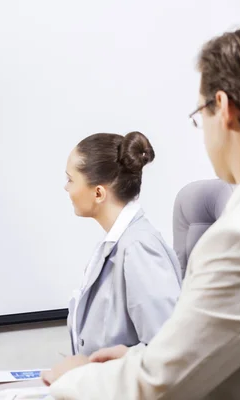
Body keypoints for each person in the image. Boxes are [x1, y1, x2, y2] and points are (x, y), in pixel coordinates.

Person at [43, 26, 240, 399]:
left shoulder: (238, 237)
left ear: (223, 108)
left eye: (199, 113)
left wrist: (71, 378)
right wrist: (135, 360)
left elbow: (163, 382)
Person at [64, 131, 182, 356]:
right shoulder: (115, 244)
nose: (66, 188)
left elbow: (167, 352)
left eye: (70, 179)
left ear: (98, 193)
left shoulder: (139, 248)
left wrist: (93, 368)